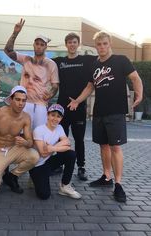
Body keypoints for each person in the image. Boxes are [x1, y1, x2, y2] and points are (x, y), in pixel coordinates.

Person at [69, 31, 143, 202]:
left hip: (116, 111)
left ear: (109, 44)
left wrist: (139, 94)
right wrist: (77, 101)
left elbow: (135, 77)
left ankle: (118, 184)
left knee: (115, 147)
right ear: (96, 46)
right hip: (99, 111)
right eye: (99, 44)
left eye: (104, 44)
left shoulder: (121, 60)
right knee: (103, 146)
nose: (102, 47)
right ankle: (106, 177)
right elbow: (90, 86)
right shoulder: (94, 65)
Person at [0, 85, 39, 195]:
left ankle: (12, 176)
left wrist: (25, 142)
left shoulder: (26, 117)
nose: (21, 103)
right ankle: (0, 172)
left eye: (24, 100)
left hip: (14, 148)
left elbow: (30, 142)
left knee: (34, 156)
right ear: (11, 99)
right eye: (17, 99)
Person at [53, 33, 97, 181]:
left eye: (74, 42)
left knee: (79, 139)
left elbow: (105, 58)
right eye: (69, 42)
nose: (72, 44)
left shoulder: (86, 60)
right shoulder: (59, 62)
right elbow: (39, 62)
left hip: (78, 107)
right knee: (61, 138)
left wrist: (78, 100)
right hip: (62, 108)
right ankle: (59, 164)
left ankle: (81, 167)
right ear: (66, 45)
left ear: (78, 44)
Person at [4, 18, 59, 129]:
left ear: (45, 47)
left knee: (38, 135)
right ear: (33, 45)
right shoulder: (26, 59)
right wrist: (15, 33)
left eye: (42, 44)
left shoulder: (51, 64)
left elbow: (55, 85)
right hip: (24, 103)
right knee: (21, 133)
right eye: (37, 43)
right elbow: (8, 50)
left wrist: (51, 93)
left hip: (41, 105)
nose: (39, 46)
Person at [29, 104, 81, 200]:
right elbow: (43, 153)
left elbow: (68, 143)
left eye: (58, 116)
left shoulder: (59, 128)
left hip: (49, 162)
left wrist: (53, 148)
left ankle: (64, 186)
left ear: (61, 118)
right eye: (53, 115)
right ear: (47, 115)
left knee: (71, 154)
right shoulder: (39, 130)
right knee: (44, 195)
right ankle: (36, 178)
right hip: (37, 166)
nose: (55, 118)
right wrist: (60, 146)